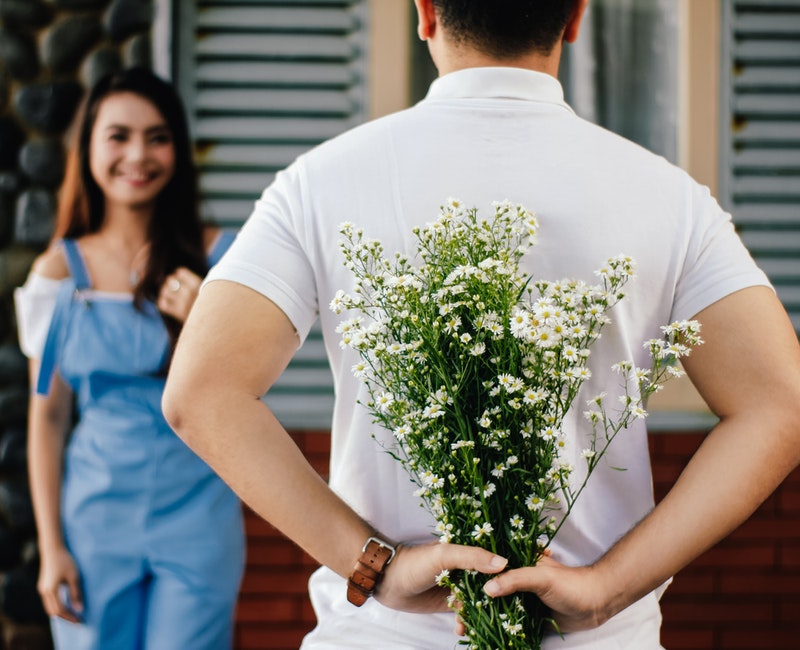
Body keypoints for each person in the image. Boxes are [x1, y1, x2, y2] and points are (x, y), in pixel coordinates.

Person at [161, 1, 800, 648]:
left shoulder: (319, 183)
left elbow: (200, 393)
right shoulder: (670, 198)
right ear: (576, 16)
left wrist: (374, 566)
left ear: (425, 12)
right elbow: (781, 403)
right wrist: (606, 588)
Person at [14, 67, 244, 649]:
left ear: (178, 150)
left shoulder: (222, 259)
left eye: (158, 136)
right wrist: (52, 548)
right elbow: (47, 417)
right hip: (93, 520)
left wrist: (204, 326)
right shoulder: (59, 272)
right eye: (118, 135)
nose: (138, 154)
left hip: (200, 515)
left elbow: (250, 395)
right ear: (88, 146)